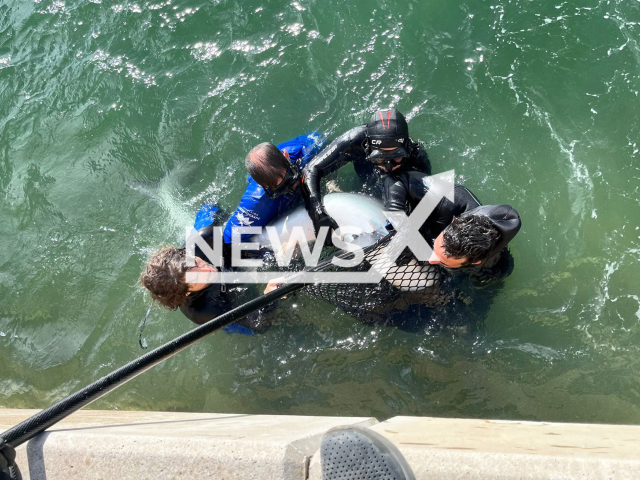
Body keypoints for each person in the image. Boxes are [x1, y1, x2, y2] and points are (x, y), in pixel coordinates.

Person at [140, 133, 323, 333]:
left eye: (197, 263)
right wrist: (269, 296)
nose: (206, 269)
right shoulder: (204, 311)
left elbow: (216, 217)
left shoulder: (203, 241)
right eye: (196, 277)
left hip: (211, 238)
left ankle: (163, 191)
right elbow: (260, 323)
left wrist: (277, 256)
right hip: (226, 308)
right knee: (270, 327)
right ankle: (159, 191)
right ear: (186, 293)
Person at [302, 108, 430, 243]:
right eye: (379, 159)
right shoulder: (354, 141)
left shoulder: (416, 156)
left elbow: (424, 203)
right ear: (367, 148)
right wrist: (317, 213)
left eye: (396, 158)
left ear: (407, 149)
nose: (388, 167)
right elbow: (310, 171)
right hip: (364, 187)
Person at [382, 170, 521, 281]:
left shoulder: (489, 263)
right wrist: (396, 213)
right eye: (437, 247)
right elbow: (396, 178)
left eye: (443, 262)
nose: (431, 260)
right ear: (454, 221)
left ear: (476, 262)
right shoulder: (447, 196)